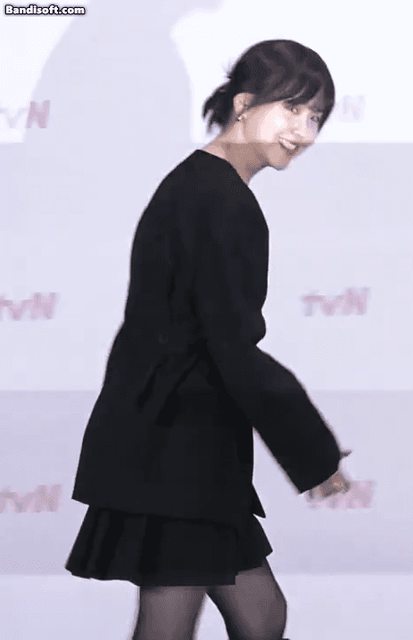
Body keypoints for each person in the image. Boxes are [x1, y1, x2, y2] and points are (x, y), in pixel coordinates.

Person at [65, 39, 352, 640]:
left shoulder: (202, 186)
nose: (303, 131)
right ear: (244, 105)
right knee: (179, 627)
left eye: (315, 117)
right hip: (176, 450)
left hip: (187, 446)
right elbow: (232, 346)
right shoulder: (219, 200)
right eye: (292, 108)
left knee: (262, 616)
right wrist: (312, 450)